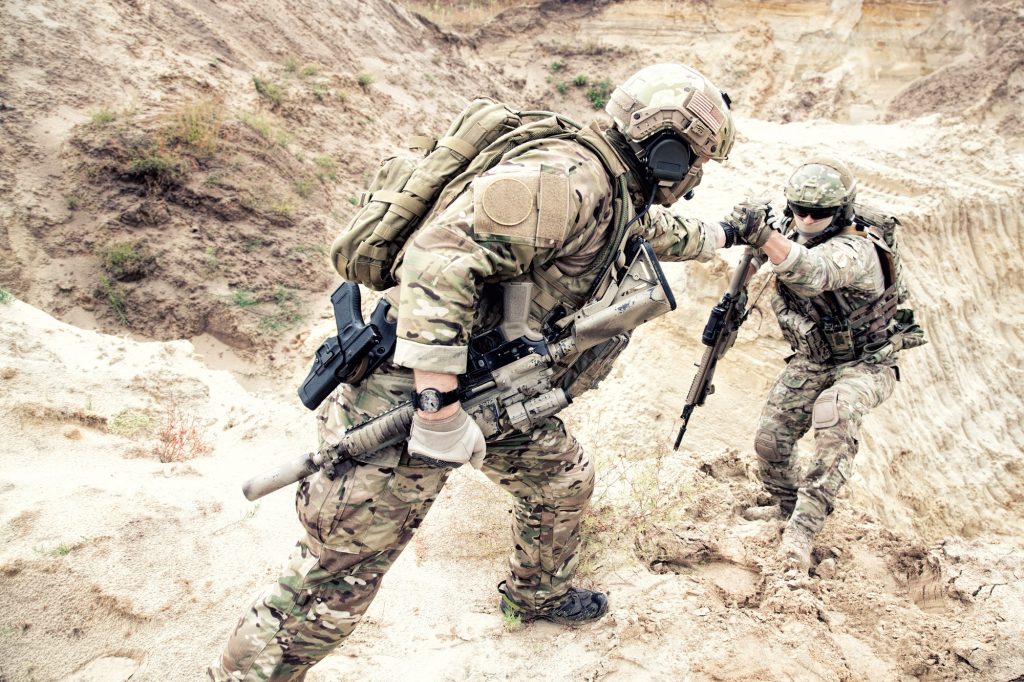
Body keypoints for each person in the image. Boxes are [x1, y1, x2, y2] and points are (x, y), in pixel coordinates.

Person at [209, 63, 741, 680]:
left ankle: (536, 595)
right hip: (409, 396)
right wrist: (438, 410)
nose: (694, 176)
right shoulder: (567, 176)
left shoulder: (611, 187)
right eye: (695, 158)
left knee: (560, 481)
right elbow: (439, 262)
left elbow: (644, 233)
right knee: (335, 580)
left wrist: (727, 232)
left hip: (491, 383)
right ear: (669, 149)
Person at [730, 158, 925, 574]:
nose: (808, 218)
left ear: (842, 211)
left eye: (819, 212)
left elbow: (813, 273)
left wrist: (763, 235)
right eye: (799, 208)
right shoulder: (789, 229)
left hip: (867, 363)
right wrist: (747, 241)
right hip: (814, 357)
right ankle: (785, 506)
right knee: (770, 441)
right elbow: (756, 262)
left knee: (833, 415)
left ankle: (803, 528)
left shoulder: (857, 248)